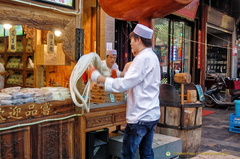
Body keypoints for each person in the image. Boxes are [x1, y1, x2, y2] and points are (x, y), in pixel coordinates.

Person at [90, 24, 161, 159]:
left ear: (138, 40)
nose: (131, 45)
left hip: (140, 117)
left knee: (127, 154)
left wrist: (98, 77)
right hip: (151, 114)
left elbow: (123, 84)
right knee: (146, 153)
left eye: (132, 41)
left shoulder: (141, 58)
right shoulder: (152, 56)